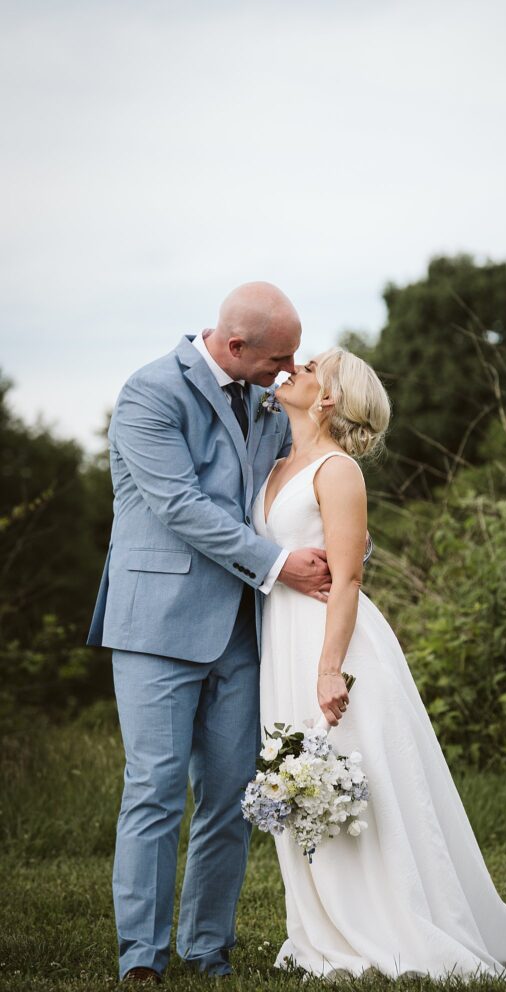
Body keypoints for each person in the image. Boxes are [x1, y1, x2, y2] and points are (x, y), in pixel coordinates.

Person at [256, 347, 506, 981]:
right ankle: (322, 928)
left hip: (330, 643)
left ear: (328, 399)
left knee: (357, 782)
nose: (296, 367)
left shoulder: (338, 470)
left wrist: (328, 670)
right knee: (301, 779)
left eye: (312, 365)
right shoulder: (276, 464)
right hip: (279, 642)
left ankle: (388, 923)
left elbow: (347, 580)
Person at [87, 282, 333, 984]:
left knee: (230, 797)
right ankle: (141, 958)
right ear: (234, 347)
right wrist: (281, 563)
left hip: (245, 629)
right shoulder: (150, 393)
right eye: (278, 358)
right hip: (156, 627)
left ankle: (207, 950)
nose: (287, 371)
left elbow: (291, 484)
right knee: (156, 789)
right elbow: (179, 505)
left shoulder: (266, 399)